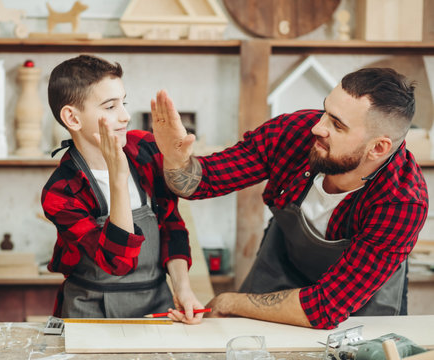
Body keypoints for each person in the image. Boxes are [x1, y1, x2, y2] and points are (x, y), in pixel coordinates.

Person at [150, 67, 428, 329]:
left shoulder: (402, 200)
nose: (319, 127)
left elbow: (325, 308)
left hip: (360, 302)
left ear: (378, 148)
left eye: (338, 125)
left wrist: (228, 301)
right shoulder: (295, 133)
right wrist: (176, 159)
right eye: (325, 112)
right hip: (282, 266)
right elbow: (203, 182)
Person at [42, 55, 204, 323]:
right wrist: (118, 180)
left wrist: (183, 290)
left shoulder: (145, 149)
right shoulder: (61, 191)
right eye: (110, 106)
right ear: (72, 117)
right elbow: (117, 263)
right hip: (89, 310)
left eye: (124, 103)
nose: (125, 116)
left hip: (157, 302)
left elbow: (171, 225)